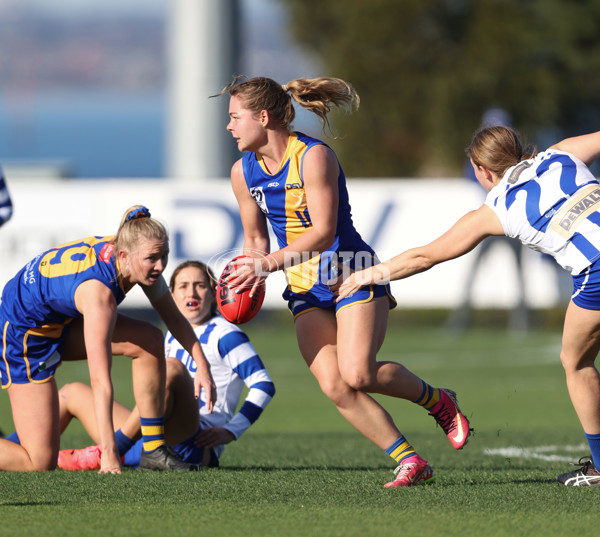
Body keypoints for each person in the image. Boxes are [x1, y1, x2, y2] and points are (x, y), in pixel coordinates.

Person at [215, 75, 472, 488]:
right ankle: (410, 462)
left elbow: (322, 231)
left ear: (262, 117)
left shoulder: (313, 157)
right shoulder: (241, 173)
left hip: (350, 271)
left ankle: (438, 400)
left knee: (358, 373)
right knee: (335, 385)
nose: (228, 126)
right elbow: (255, 240)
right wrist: (246, 275)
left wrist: (266, 266)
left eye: (234, 116)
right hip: (302, 283)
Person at [337, 126, 600, 487]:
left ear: (481, 170)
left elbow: (424, 256)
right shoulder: (563, 153)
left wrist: (366, 275)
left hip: (596, 273)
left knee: (577, 362)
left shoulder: (497, 209)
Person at [0, 205, 215, 473]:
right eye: (152, 258)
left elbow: (173, 318)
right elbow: (100, 380)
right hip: (24, 336)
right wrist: (110, 453)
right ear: (124, 255)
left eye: (165, 255)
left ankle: (153, 450)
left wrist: (201, 363)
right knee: (38, 462)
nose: (160, 266)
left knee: (149, 340)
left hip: (58, 320)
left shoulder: (132, 250)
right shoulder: (99, 296)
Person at [55, 260, 275, 470]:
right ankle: (27, 449)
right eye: (183, 286)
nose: (192, 293)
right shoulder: (172, 335)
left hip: (193, 442)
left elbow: (263, 384)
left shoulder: (225, 334)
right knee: (70, 392)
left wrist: (231, 431)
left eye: (200, 285)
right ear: (172, 295)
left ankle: (113, 449)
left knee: (170, 368)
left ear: (214, 293)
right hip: (152, 437)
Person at [445, 108, 530, 332]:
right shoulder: (482, 156)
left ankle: (522, 323)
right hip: (491, 220)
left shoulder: (515, 157)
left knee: (518, 273)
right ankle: (460, 321)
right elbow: (472, 178)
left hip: (509, 222)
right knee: (476, 271)